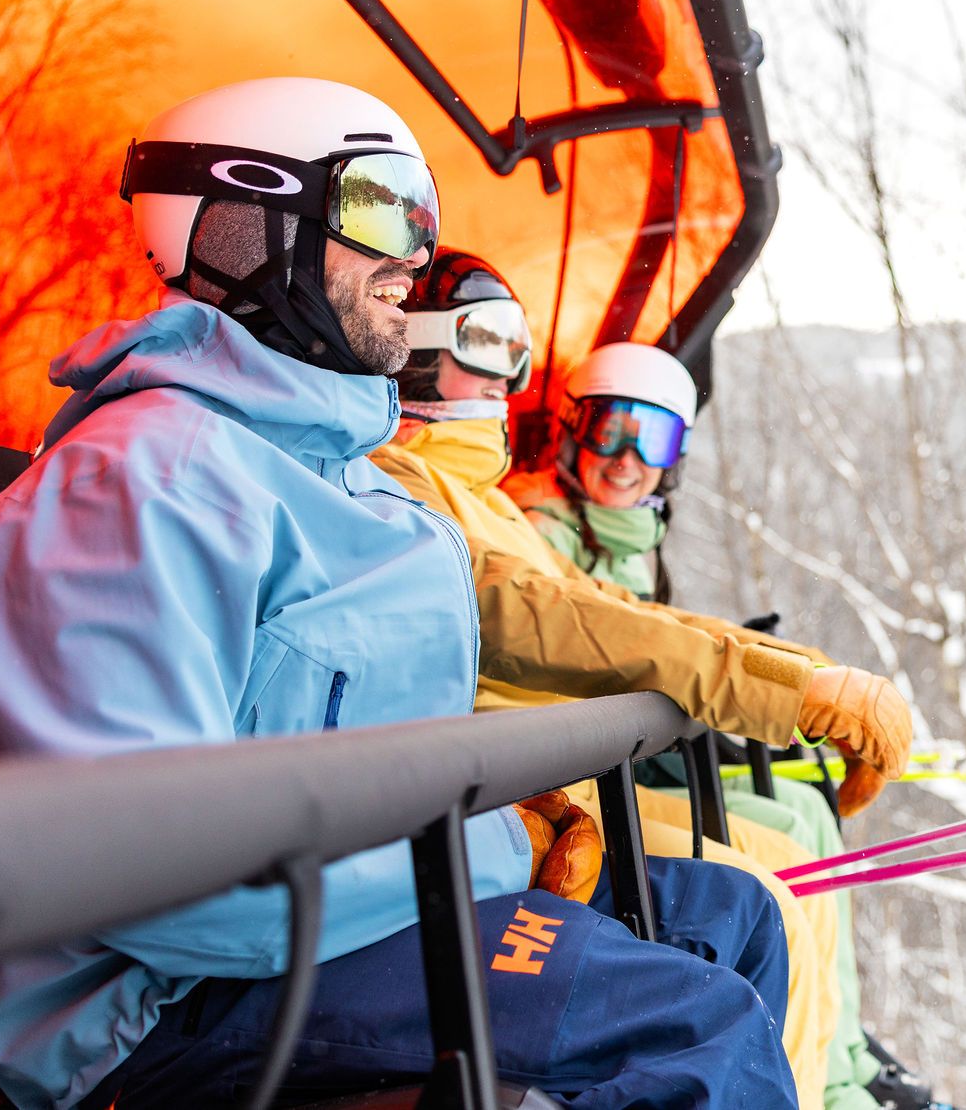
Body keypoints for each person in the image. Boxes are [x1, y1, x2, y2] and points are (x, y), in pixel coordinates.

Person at [0, 78, 796, 1110]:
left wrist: (501, 810)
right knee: (686, 1028)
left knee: (728, 912)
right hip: (172, 998)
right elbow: (145, 874)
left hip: (337, 908)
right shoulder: (142, 481)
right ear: (239, 224)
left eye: (421, 213)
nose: (414, 252)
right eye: (380, 203)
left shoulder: (330, 471)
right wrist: (490, 842)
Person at [368, 249, 914, 1108]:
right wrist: (786, 690)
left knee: (774, 874)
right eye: (484, 339)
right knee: (764, 886)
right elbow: (545, 615)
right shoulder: (403, 484)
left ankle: (833, 1081)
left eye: (517, 345)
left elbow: (589, 606)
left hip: (562, 785)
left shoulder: (482, 496)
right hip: (524, 802)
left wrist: (802, 676)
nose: (507, 369)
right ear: (419, 347)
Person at [509, 342, 915, 1110]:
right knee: (774, 857)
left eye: (650, 439)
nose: (626, 459)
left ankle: (844, 1053)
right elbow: (600, 638)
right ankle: (819, 1079)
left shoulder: (628, 540)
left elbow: (654, 630)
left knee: (803, 813)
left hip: (624, 758)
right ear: (570, 430)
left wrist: (781, 674)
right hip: (581, 776)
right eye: (609, 430)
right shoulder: (543, 533)